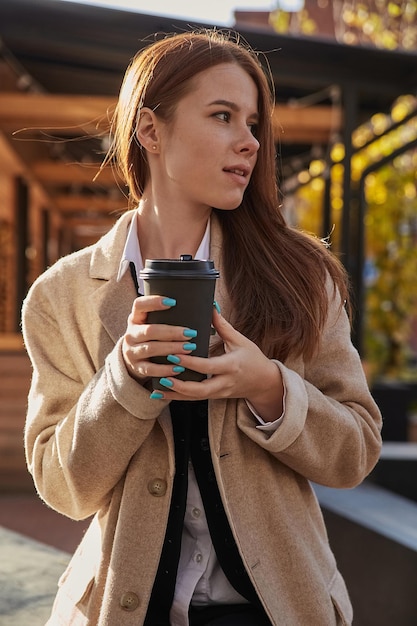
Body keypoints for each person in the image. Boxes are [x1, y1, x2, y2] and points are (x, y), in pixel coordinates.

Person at [22, 29, 382, 626]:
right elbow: (64, 489)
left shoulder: (301, 274)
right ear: (151, 131)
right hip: (126, 609)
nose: (249, 142)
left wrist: (270, 388)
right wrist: (123, 382)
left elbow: (357, 451)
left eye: (252, 123)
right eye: (223, 116)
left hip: (276, 608)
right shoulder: (61, 298)